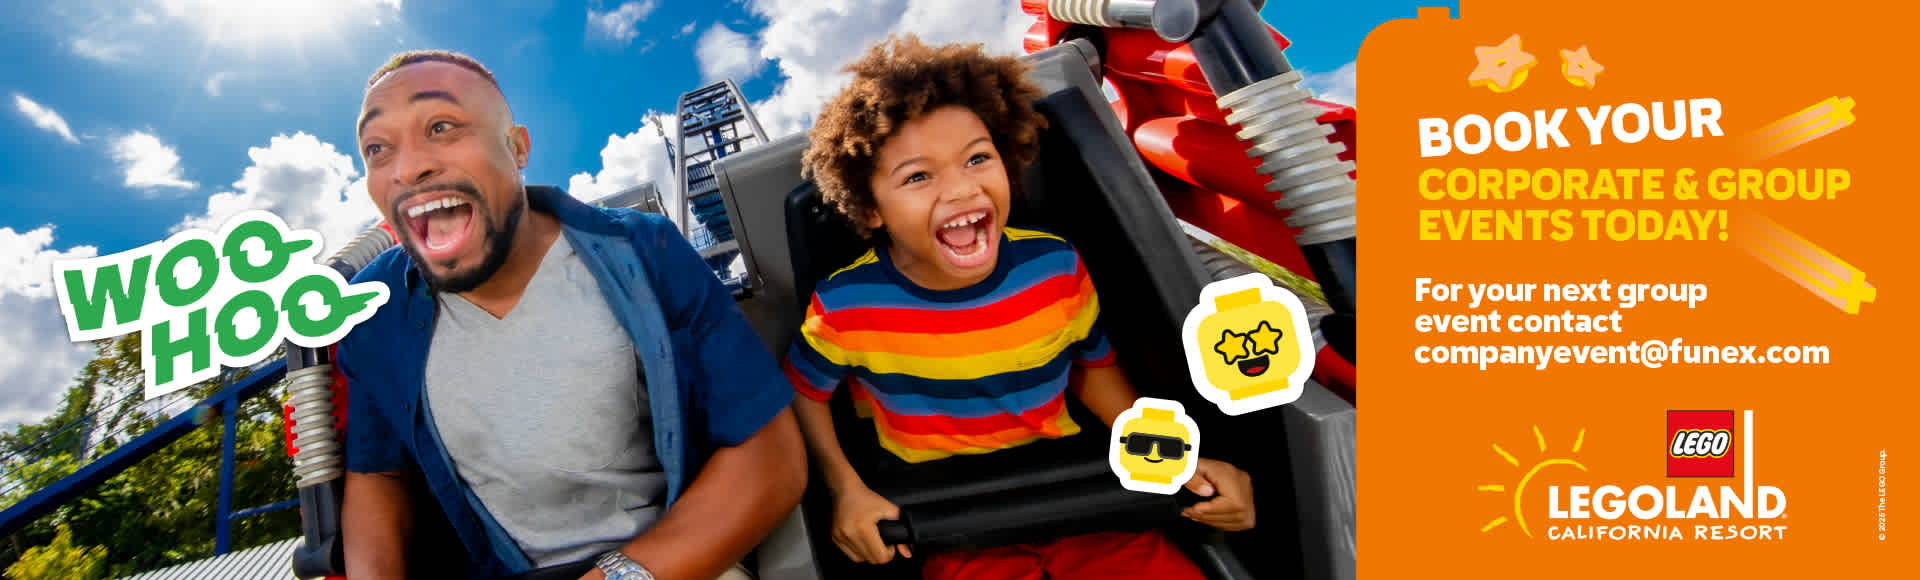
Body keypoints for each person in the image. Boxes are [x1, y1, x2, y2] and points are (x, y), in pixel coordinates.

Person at [783, 36, 1256, 580]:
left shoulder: (1054, 265)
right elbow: (803, 392)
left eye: (978, 158)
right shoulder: (845, 304)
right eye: (918, 176)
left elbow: (1093, 371)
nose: (961, 187)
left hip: (1083, 497)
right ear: (870, 210)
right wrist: (847, 489)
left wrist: (1176, 459)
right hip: (950, 517)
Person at [338, 50, 805, 580]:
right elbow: (378, 477)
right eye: (377, 148)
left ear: (517, 148)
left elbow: (770, 456)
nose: (406, 168)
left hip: (672, 562)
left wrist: (623, 574)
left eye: (441, 126)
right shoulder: (374, 307)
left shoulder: (643, 251)